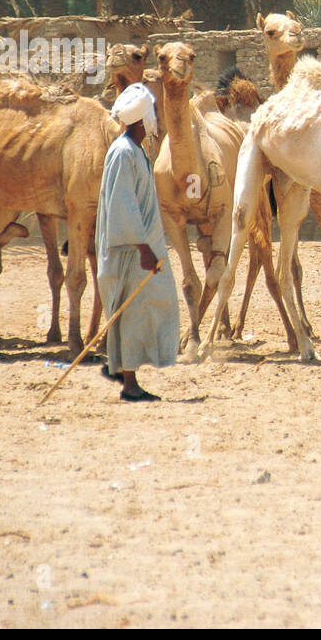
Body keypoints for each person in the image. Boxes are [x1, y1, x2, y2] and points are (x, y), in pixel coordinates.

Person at [96, 82, 179, 401]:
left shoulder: (135, 152)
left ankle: (123, 369)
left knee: (146, 307)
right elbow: (123, 204)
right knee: (132, 312)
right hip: (130, 252)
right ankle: (129, 383)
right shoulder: (123, 153)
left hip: (141, 248)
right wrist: (144, 248)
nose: (157, 118)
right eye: (153, 112)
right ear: (143, 119)